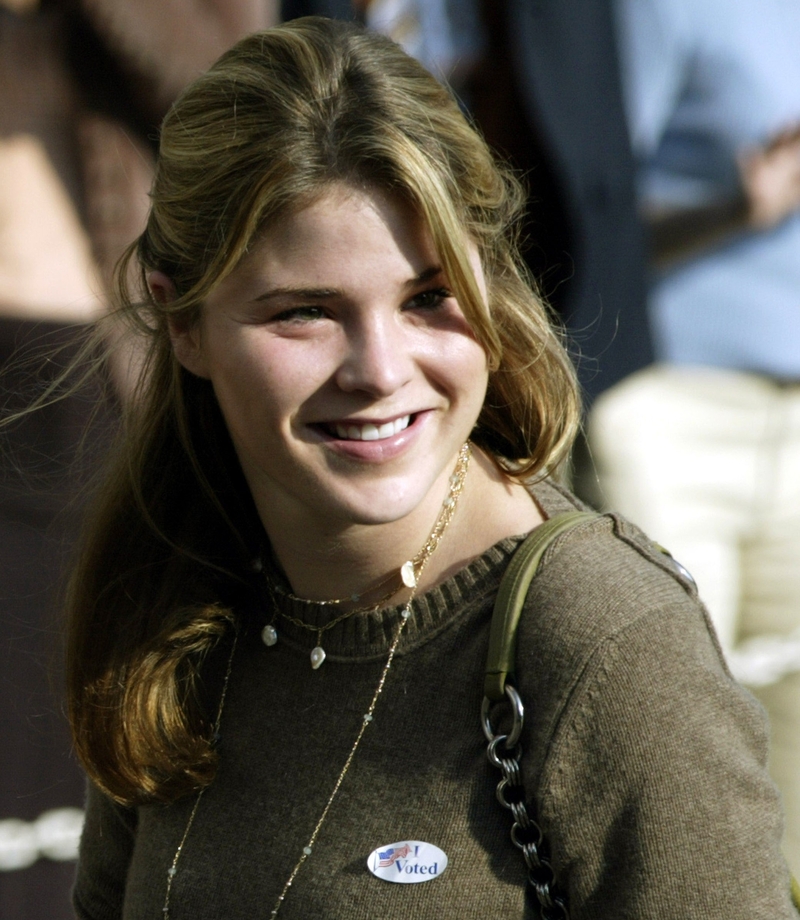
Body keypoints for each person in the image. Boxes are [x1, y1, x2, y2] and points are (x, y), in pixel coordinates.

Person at [53, 17, 795, 919]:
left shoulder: (603, 636)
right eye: (306, 312)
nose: (380, 370)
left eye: (429, 298)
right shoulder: (177, 606)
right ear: (183, 324)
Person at [587, 0, 800, 874]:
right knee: (676, 710)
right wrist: (736, 207)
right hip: (671, 404)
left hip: (796, 423)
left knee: (790, 712)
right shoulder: (656, 8)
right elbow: (580, 212)